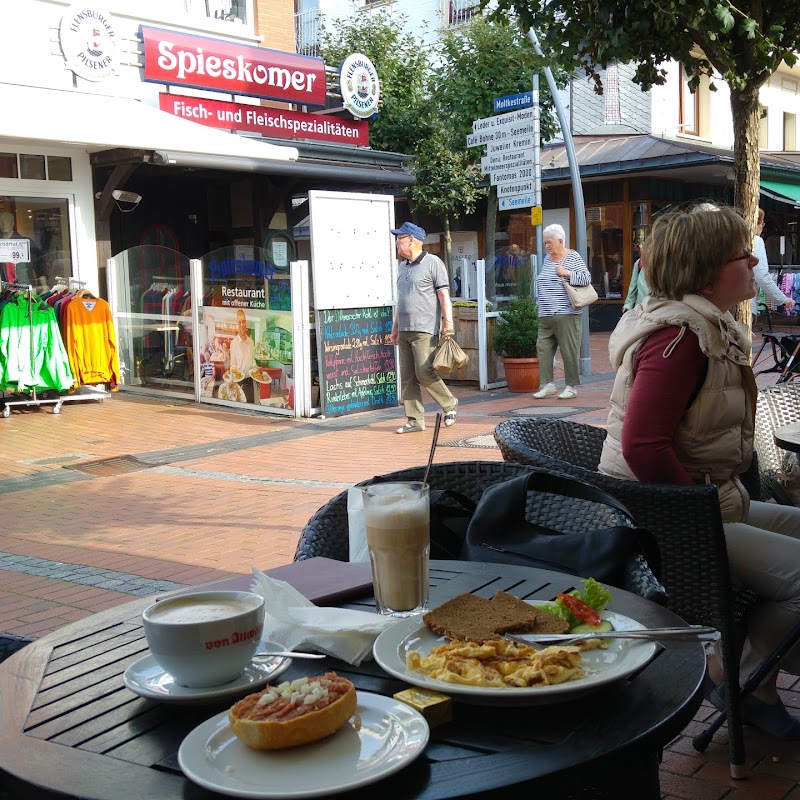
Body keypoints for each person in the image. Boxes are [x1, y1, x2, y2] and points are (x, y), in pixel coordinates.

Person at [598, 202, 800, 740]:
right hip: (672, 518)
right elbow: (643, 447)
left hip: (714, 500)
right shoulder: (680, 340)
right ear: (708, 270)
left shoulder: (707, 326)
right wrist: (697, 514)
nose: (754, 264)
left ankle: (750, 668)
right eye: (744, 255)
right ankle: (737, 671)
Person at [388, 221, 458, 433]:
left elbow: (444, 295)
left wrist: (448, 323)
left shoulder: (433, 263)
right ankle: (415, 420)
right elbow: (402, 300)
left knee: (424, 371)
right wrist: (395, 327)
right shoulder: (402, 267)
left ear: (412, 240)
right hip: (405, 329)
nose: (397, 243)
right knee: (408, 376)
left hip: (425, 328)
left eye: (400, 239)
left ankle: (449, 403)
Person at [532, 223, 592, 400]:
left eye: (549, 242)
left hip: (566, 313)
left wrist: (566, 272)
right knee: (543, 349)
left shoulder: (572, 257)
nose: (547, 246)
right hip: (545, 314)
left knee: (568, 351)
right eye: (545, 243)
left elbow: (586, 278)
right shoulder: (546, 259)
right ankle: (548, 385)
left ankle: (571, 387)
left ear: (560, 241)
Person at [752, 208, 796, 317]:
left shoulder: (728, 241)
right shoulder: (755, 241)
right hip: (744, 304)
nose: (762, 227)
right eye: (762, 223)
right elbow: (761, 275)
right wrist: (782, 299)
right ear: (755, 224)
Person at [229, 309, 255, 402]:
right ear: (237, 324)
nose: (242, 324)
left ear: (246, 322)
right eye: (239, 322)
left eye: (243, 321)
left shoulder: (251, 342)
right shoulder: (233, 343)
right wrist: (233, 376)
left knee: (251, 406)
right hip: (238, 382)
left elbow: (253, 361)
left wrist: (256, 367)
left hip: (250, 382)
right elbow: (233, 364)